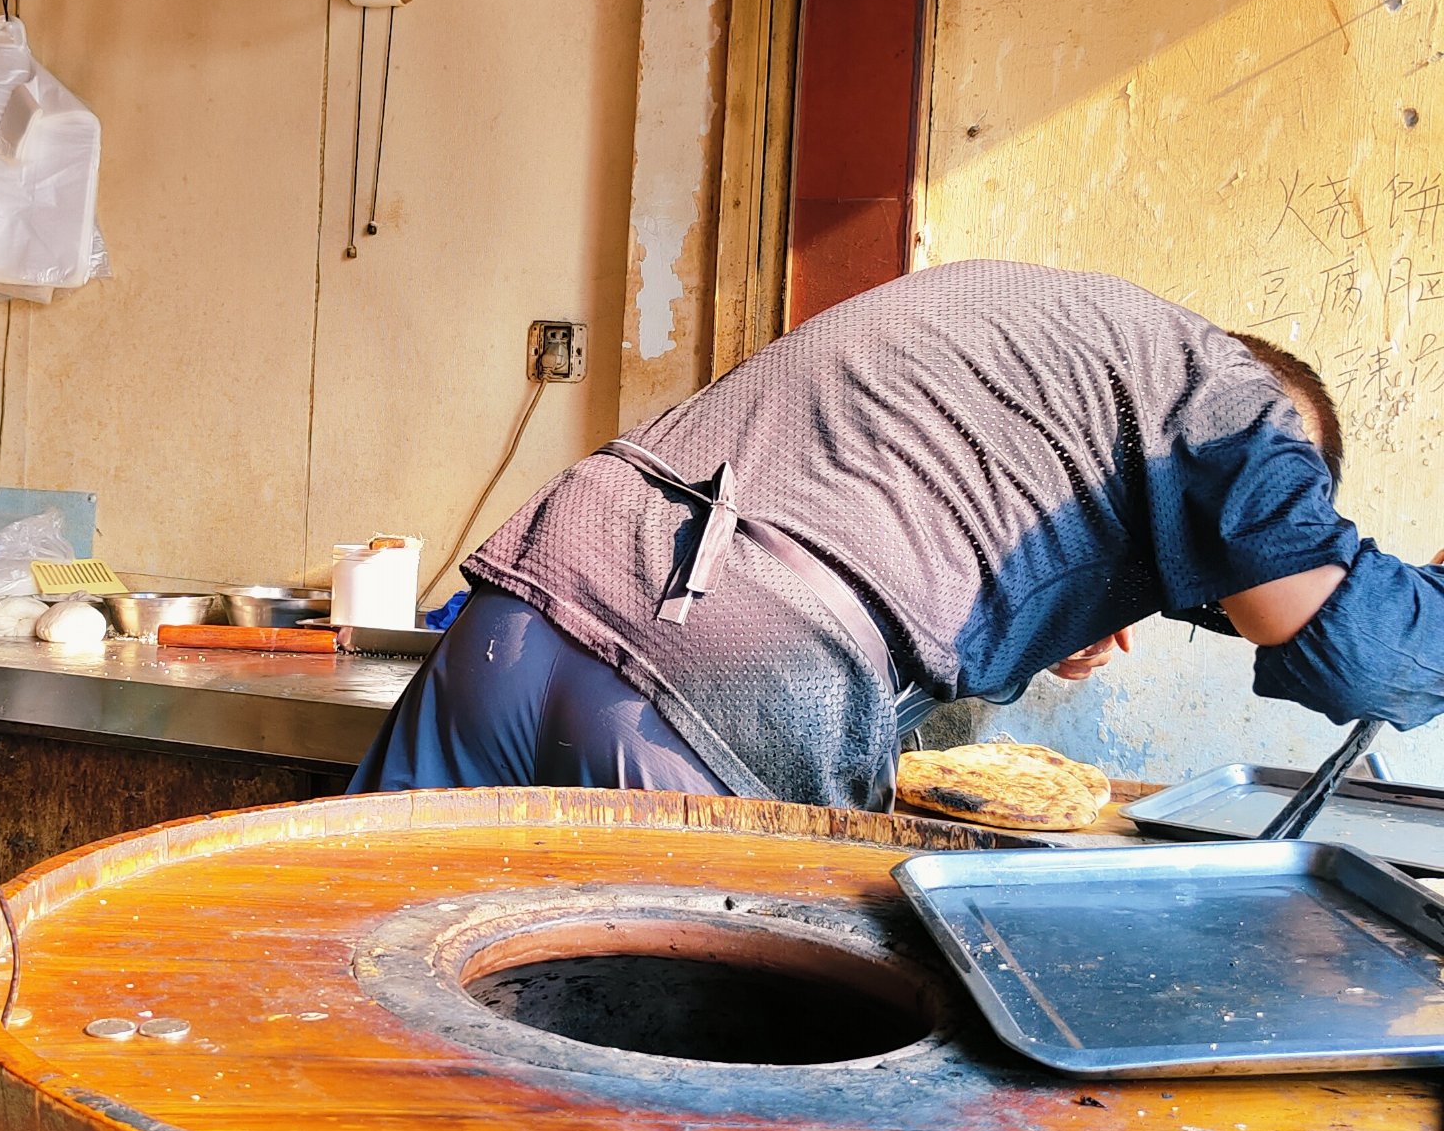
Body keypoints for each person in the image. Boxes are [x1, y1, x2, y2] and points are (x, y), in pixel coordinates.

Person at [353, 259, 1442, 807]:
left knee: (374, 979)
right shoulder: (1239, 406)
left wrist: (1056, 614)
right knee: (697, 1115)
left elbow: (906, 504)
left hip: (527, 610)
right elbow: (1355, 649)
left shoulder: (1071, 331)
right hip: (713, 685)